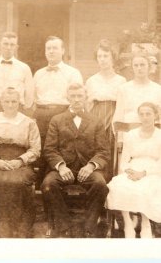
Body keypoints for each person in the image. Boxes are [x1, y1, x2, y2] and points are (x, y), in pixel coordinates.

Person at [41, 83, 110, 238]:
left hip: (88, 168)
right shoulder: (57, 120)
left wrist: (91, 166)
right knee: (48, 184)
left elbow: (103, 151)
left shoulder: (96, 121)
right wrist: (61, 167)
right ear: (67, 98)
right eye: (73, 96)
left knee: (100, 184)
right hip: (63, 168)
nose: (77, 99)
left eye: (80, 96)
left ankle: (89, 227)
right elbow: (49, 149)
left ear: (86, 97)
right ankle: (62, 226)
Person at [0, 87, 41, 238]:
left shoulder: (29, 122)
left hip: (21, 161)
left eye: (14, 101)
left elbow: (36, 149)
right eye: (7, 101)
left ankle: (21, 232)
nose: (10, 105)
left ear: (19, 102)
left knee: (17, 183)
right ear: (1, 102)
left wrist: (20, 161)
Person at [107, 102, 161, 238]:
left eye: (148, 114)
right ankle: (128, 223)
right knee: (119, 185)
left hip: (153, 171)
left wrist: (143, 173)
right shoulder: (131, 134)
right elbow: (124, 160)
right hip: (133, 168)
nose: (145, 117)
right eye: (141, 114)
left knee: (145, 188)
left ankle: (145, 222)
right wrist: (130, 171)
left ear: (156, 115)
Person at [86, 39, 126, 180]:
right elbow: (88, 107)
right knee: (95, 151)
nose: (102, 60)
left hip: (113, 117)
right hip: (96, 118)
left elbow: (122, 106)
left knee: (111, 151)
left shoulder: (121, 81)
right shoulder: (91, 80)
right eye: (99, 56)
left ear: (113, 58)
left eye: (106, 56)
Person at [33, 36, 83, 146]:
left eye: (55, 48)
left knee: (62, 148)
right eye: (48, 48)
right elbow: (34, 98)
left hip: (63, 114)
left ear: (63, 51)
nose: (51, 51)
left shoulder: (73, 73)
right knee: (41, 149)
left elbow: (77, 99)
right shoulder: (38, 74)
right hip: (41, 115)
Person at [0, 32, 34, 119]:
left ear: (16, 47)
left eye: (12, 44)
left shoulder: (24, 68)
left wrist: (25, 107)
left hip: (16, 107)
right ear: (0, 45)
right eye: (5, 44)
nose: (8, 47)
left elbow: (29, 92)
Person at [113, 54, 161, 126]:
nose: (139, 68)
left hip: (152, 133)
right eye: (136, 65)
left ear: (149, 67)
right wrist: (120, 135)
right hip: (129, 132)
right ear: (132, 68)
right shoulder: (123, 89)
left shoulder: (157, 89)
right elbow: (118, 116)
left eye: (142, 65)